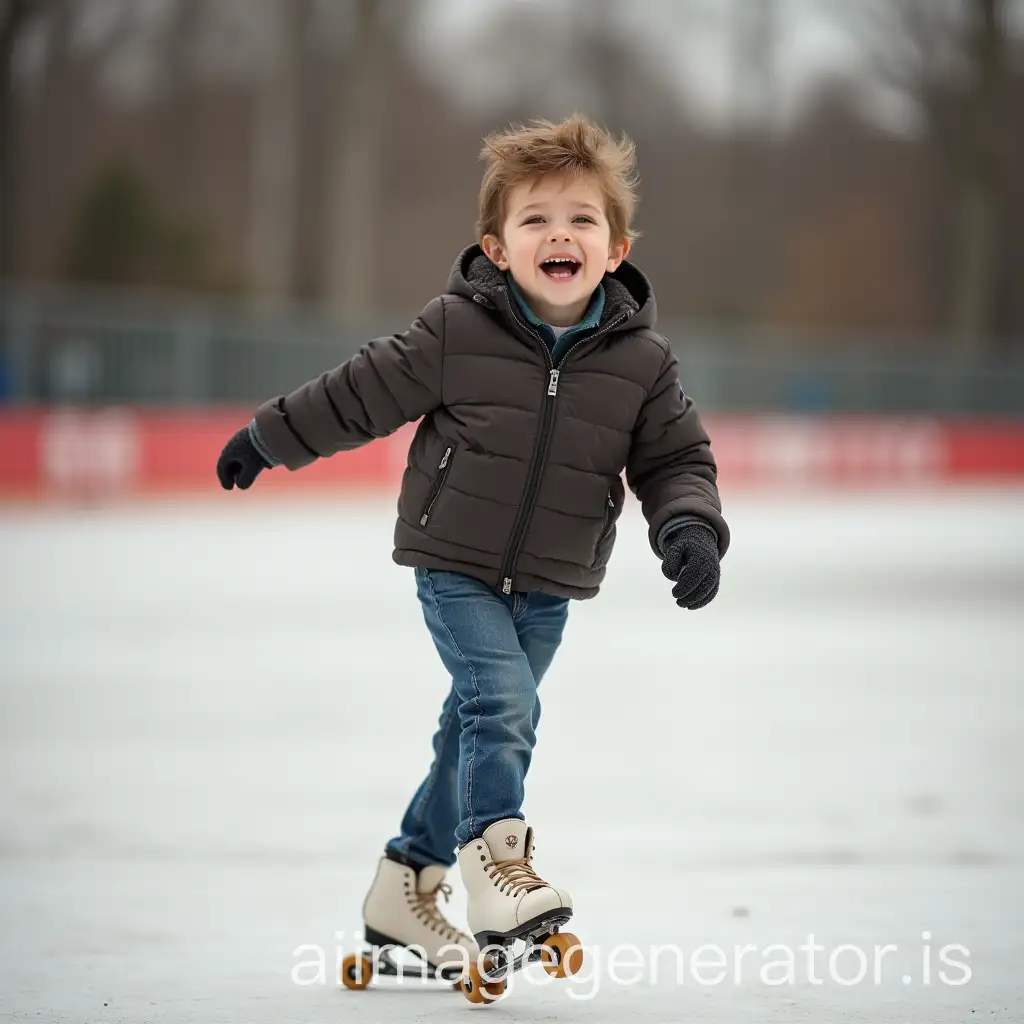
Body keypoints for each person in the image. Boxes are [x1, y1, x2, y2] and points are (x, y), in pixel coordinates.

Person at [217, 114, 730, 976]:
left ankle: (404, 886)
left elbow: (676, 459)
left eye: (581, 219)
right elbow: (361, 391)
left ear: (616, 249)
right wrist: (271, 436)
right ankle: (496, 863)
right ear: (497, 247)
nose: (559, 234)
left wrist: (688, 527)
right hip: (454, 562)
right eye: (535, 219)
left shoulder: (643, 363)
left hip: (552, 580)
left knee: (474, 726)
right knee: (504, 703)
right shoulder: (458, 329)